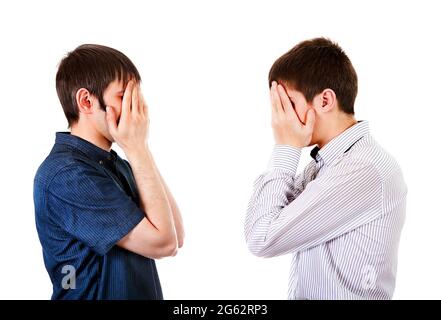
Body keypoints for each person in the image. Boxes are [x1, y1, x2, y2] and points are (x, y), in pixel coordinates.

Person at [245, 38, 407, 300]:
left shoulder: (362, 169)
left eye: (288, 104)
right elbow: (260, 221)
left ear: (325, 100)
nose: (280, 118)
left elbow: (262, 238)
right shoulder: (324, 166)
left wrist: (285, 146)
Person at [33, 44, 184, 299]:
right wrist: (136, 148)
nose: (138, 111)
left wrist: (140, 149)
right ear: (86, 101)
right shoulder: (68, 174)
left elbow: (176, 235)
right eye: (124, 97)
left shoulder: (116, 164)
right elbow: (163, 243)